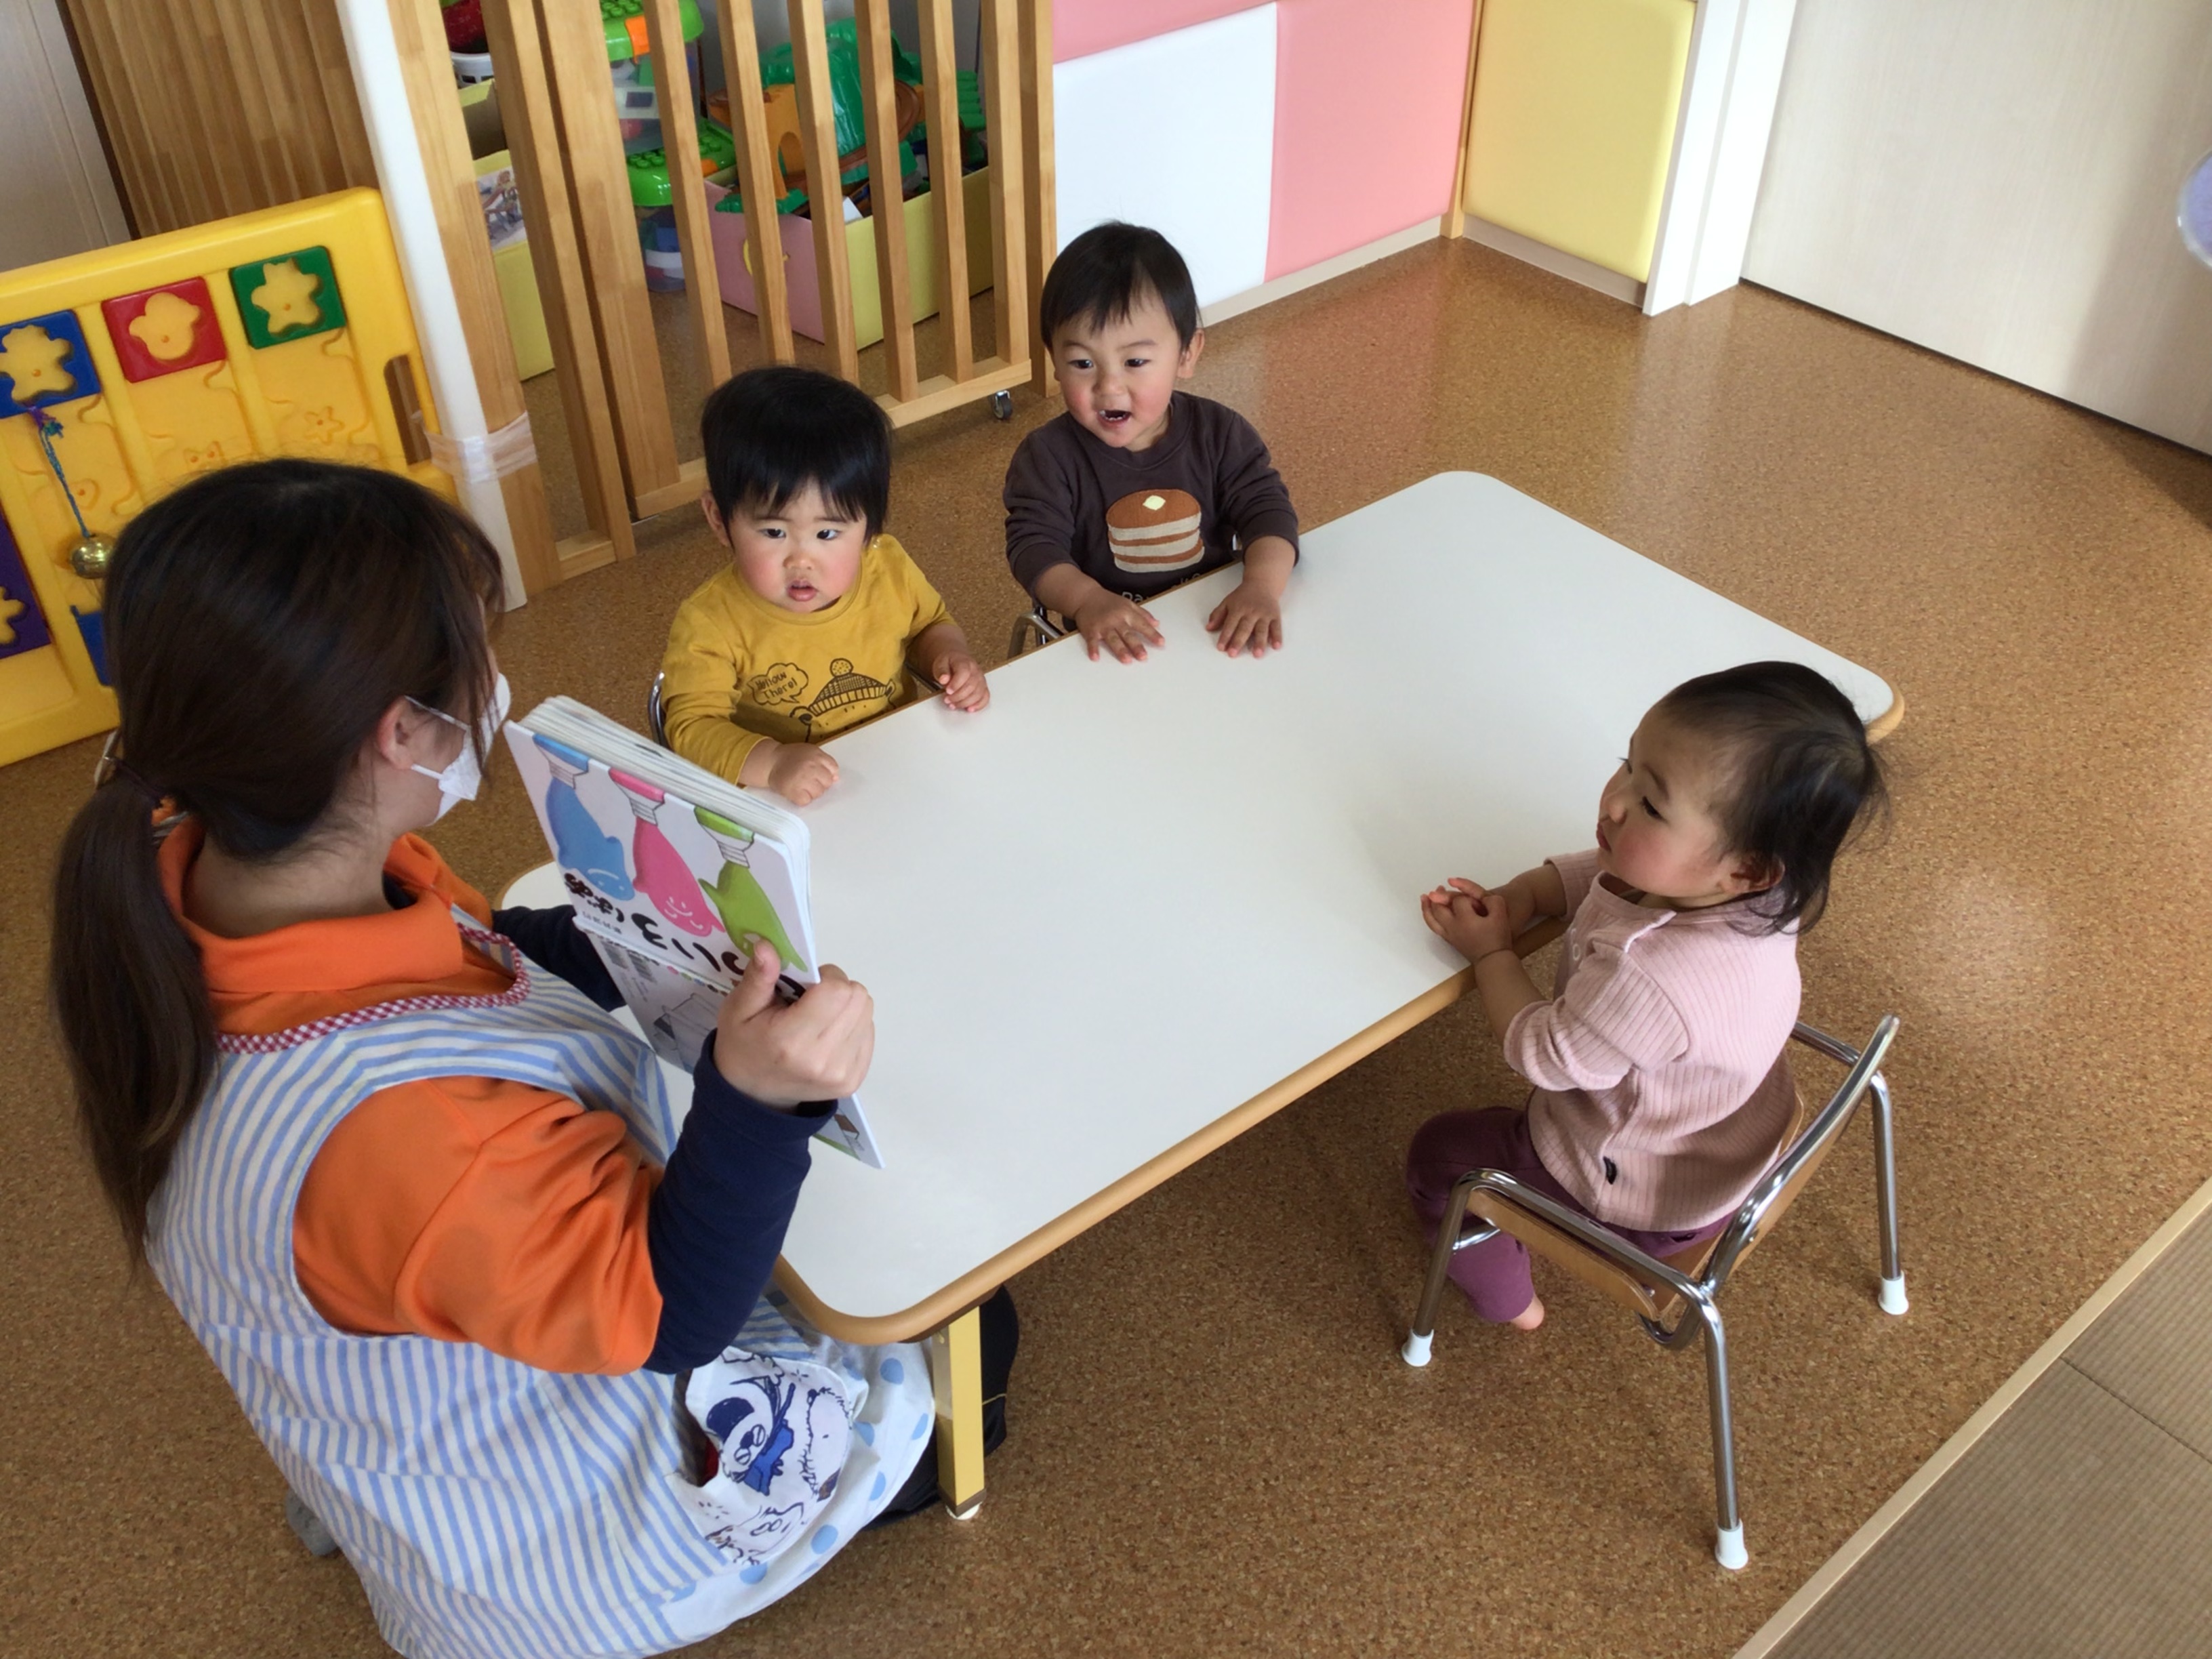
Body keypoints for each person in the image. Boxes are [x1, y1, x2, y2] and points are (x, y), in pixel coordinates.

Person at [47, 459, 1012, 1659]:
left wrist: (645, 928)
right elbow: (673, 1313)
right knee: (970, 1330)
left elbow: (481, 947)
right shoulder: (408, 1134)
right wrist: (758, 1101)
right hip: (551, 1549)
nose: (495, 688)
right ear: (400, 733)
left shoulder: (196, 867)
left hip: (419, 1385)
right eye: (477, 658)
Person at [1404, 662, 1887, 1328]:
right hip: (1726, 1134)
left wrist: (1492, 953)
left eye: (1653, 805)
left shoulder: (1650, 976)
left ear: (1746, 868)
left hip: (1639, 1194)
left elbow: (1543, 1054)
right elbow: (1615, 878)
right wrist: (1525, 897)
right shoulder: (1763, 892)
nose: (1614, 801)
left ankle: (1511, 1303)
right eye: (1627, 764)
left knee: (1440, 1156)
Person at [659, 365, 987, 806]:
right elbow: (691, 727)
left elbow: (929, 625)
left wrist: (951, 658)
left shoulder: (886, 566)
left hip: (896, 765)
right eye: (774, 532)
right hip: (787, 800)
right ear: (719, 519)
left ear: (869, 527)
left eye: (827, 534)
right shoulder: (710, 621)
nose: (801, 560)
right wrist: (773, 763)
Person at [1003, 221, 1300, 665]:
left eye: (1136, 361)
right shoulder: (1047, 457)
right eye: (1082, 363)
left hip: (1212, 623)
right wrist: (1087, 600)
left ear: (1186, 354)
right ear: (1055, 363)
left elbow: (1270, 514)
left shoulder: (1220, 434)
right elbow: (1033, 549)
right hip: (1110, 639)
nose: (1109, 386)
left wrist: (1260, 587)